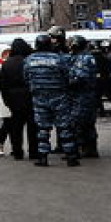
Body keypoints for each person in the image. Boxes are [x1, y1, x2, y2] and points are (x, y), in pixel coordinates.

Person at [24, 33, 77, 166]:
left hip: (39, 97)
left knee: (42, 128)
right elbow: (68, 76)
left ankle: (42, 157)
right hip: (59, 96)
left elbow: (26, 78)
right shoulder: (59, 59)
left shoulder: (29, 60)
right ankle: (70, 156)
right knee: (64, 127)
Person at [0, 38, 35, 160]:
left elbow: (2, 84)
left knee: (16, 128)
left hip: (14, 100)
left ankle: (17, 151)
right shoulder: (29, 61)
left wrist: (7, 100)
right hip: (30, 98)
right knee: (32, 127)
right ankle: (34, 151)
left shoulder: (7, 64)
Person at [66, 35, 99, 159]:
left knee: (80, 123)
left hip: (83, 96)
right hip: (82, 96)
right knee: (86, 123)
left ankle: (84, 148)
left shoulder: (85, 58)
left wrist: (68, 83)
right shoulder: (78, 57)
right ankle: (89, 148)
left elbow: (81, 78)